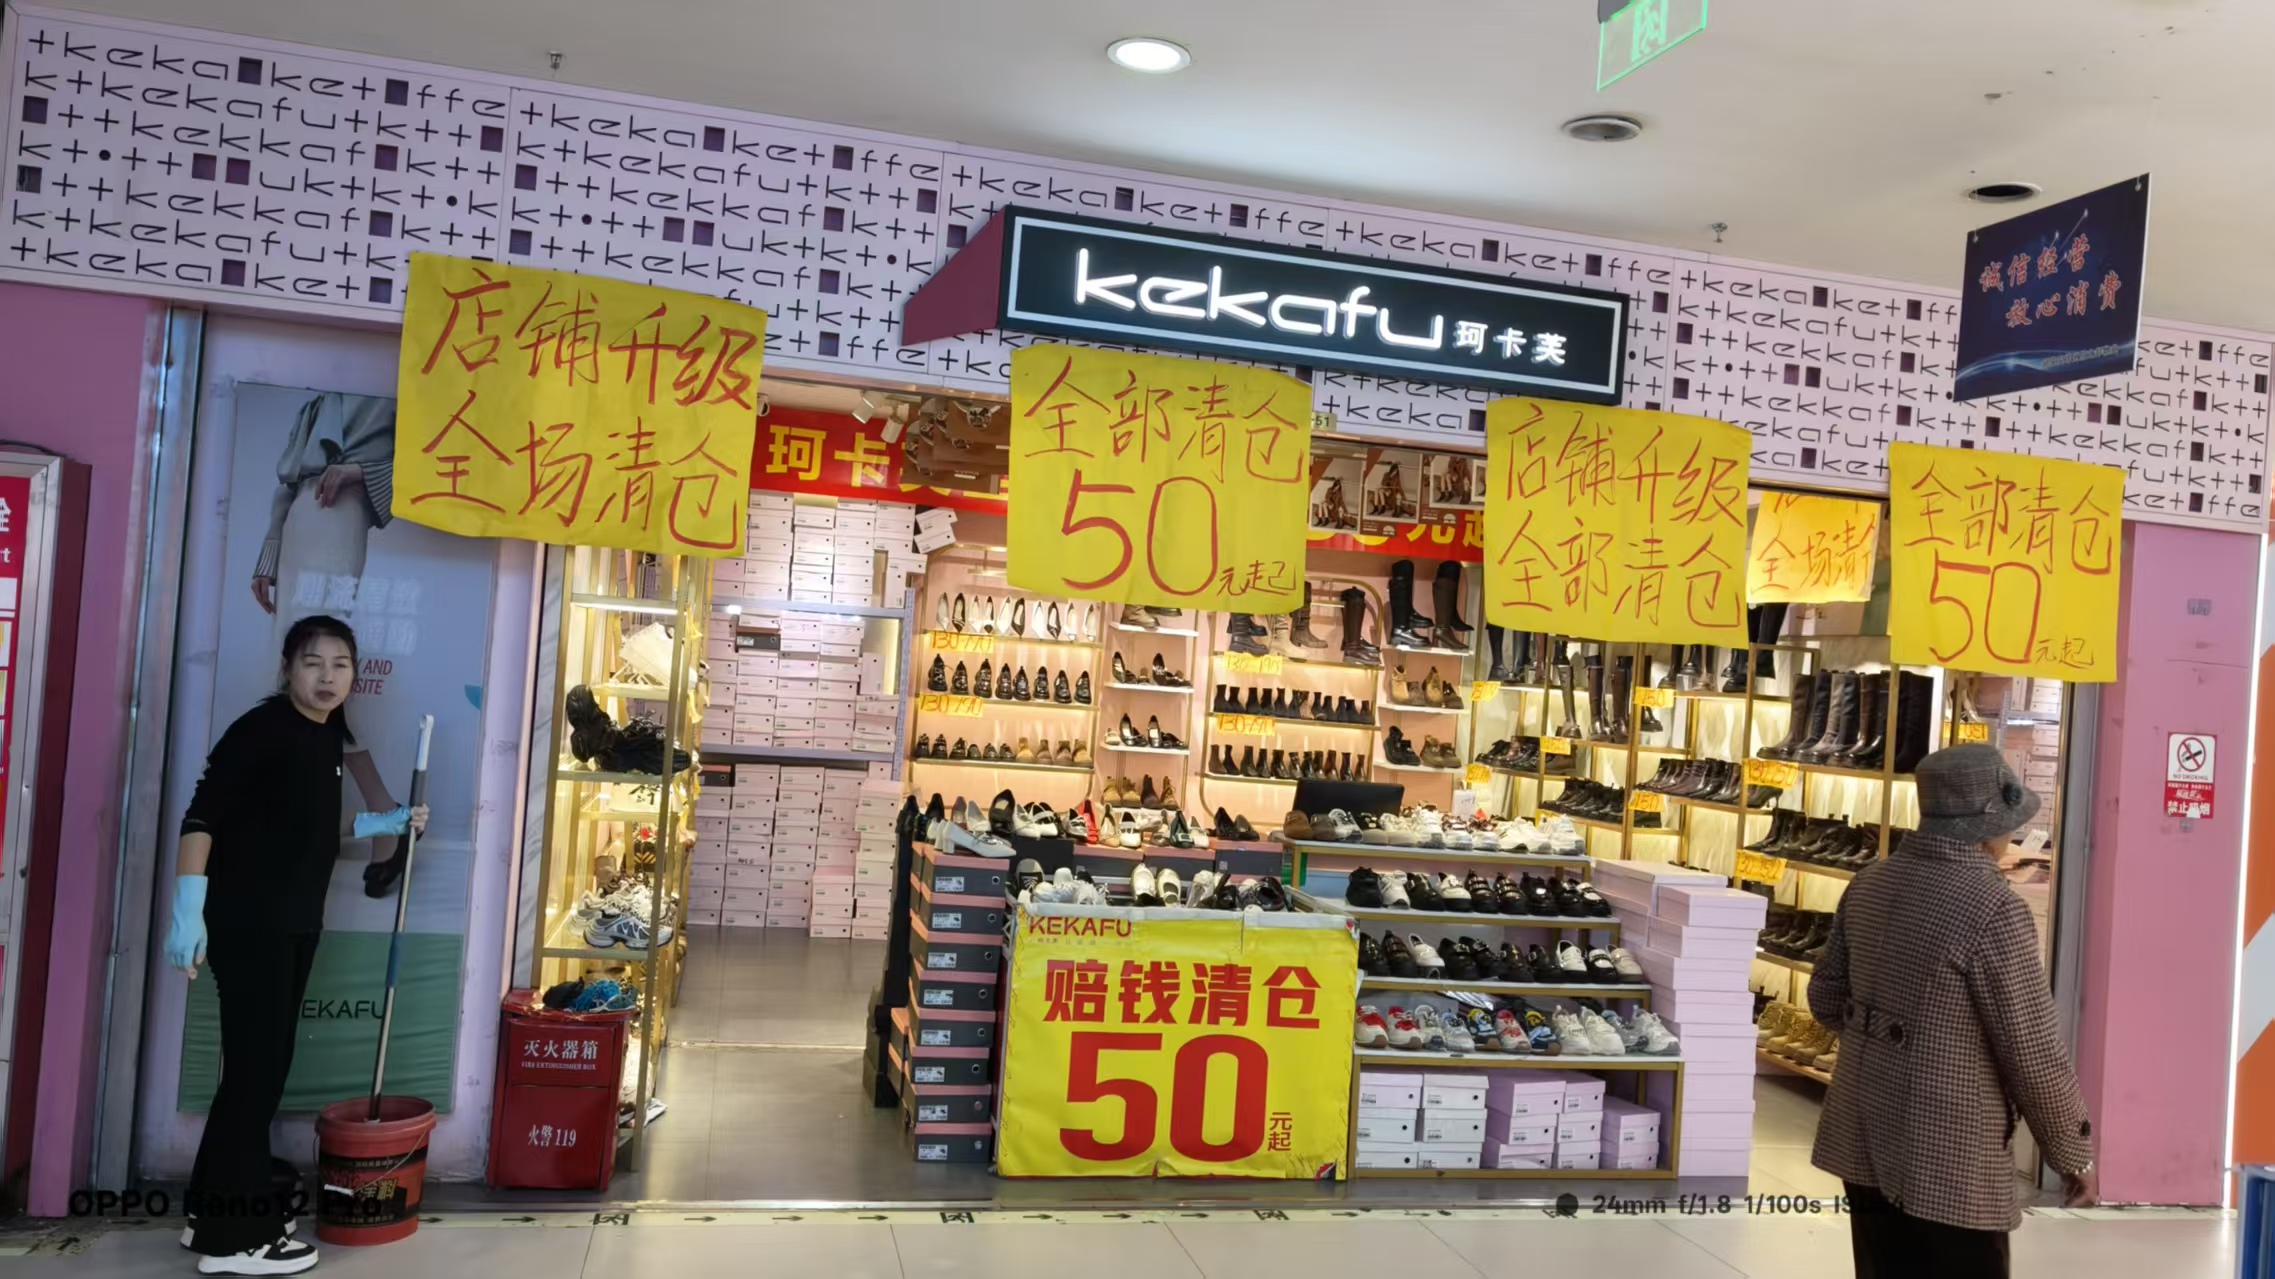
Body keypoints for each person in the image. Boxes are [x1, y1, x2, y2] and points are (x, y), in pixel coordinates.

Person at [166, 615, 427, 1275]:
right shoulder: (260, 730)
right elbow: (202, 815)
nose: (327, 677)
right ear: (287, 668)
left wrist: (387, 821)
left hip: (294, 922)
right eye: (313, 663)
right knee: (256, 1075)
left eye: (340, 664)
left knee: (256, 1073)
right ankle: (239, 1240)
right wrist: (188, 908)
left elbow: (311, 824)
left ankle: (209, 1216)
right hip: (250, 922)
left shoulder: (325, 736)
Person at [1809, 742, 2096, 1277]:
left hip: (1861, 1124)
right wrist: (2071, 1152)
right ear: (1991, 827)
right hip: (1951, 1144)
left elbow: (1825, 999)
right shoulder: (1994, 908)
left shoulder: (1869, 882)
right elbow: (2031, 1050)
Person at [247, 391, 407, 884]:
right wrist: (270, 552)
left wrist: (363, 473)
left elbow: (433, 459)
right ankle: (362, 816)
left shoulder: (390, 380)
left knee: (316, 675)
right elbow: (289, 479)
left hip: (340, 511)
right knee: (297, 676)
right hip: (303, 513)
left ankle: (333, 822)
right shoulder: (322, 391)